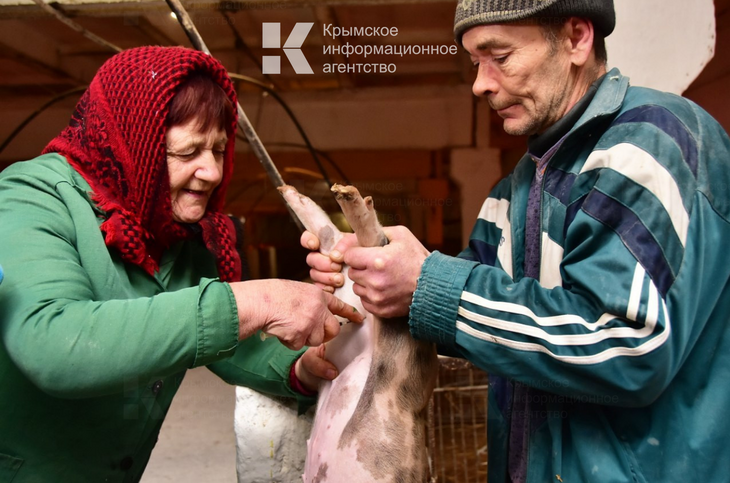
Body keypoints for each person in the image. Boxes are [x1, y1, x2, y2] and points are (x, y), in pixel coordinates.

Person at [303, 0, 730, 481]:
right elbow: (478, 313)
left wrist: (425, 285)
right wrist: (372, 271)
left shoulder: (647, 144)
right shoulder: (519, 186)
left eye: (500, 57)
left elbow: (625, 347)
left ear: (576, 38)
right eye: (475, 62)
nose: (480, 84)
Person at [0, 46, 361, 481]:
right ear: (132, 142)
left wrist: (299, 368)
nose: (212, 172)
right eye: (188, 152)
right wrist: (258, 300)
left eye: (219, 150)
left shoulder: (175, 232)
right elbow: (56, 344)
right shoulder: (31, 198)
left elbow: (228, 338)